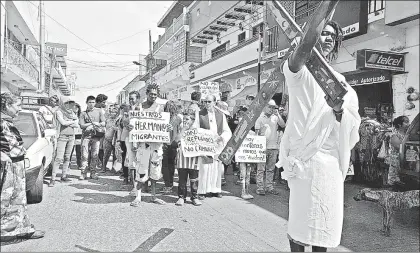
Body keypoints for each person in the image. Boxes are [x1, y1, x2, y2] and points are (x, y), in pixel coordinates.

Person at [277, 3, 361, 251]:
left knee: (323, 227)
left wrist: (338, 111)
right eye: (323, 33)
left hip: (330, 165)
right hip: (305, 161)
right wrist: (329, 5)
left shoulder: (343, 85)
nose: (327, 38)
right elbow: (306, 45)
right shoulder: (298, 71)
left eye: (332, 36)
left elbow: (352, 128)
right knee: (300, 226)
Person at [1, 92, 45, 243]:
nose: (20, 109)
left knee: (18, 200)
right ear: (7, 105)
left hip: (16, 165)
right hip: (7, 167)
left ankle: (22, 229)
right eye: (17, 105)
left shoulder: (6, 121)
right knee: (5, 200)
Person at [128, 84, 172, 207]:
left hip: (157, 145)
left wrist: (168, 127)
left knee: (155, 170)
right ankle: (138, 197)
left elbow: (165, 125)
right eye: (151, 94)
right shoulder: (139, 107)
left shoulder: (161, 108)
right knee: (141, 169)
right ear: (146, 94)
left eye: (155, 94)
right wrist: (131, 127)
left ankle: (154, 196)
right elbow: (132, 124)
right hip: (143, 145)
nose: (153, 96)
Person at [197, 94, 232, 199]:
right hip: (205, 145)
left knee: (217, 169)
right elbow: (195, 128)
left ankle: (215, 190)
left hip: (217, 146)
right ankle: (202, 191)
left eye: (209, 102)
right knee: (205, 168)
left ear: (214, 102)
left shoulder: (220, 115)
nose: (207, 104)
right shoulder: (199, 114)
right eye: (205, 102)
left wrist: (222, 138)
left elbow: (227, 131)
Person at [254, 100, 286, 195]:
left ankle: (269, 187)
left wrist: (278, 114)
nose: (272, 109)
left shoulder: (275, 118)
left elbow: (283, 125)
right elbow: (256, 134)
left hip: (273, 147)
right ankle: (260, 187)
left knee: (270, 169)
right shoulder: (260, 119)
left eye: (273, 107)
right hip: (263, 148)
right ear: (265, 107)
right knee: (260, 169)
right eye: (270, 107)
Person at [49, 96, 79, 187]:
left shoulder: (72, 112)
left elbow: (77, 124)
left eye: (70, 103)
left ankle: (64, 176)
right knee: (58, 158)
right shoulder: (58, 111)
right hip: (61, 136)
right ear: (62, 103)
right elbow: (63, 123)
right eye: (66, 103)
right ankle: (53, 178)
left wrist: (69, 121)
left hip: (71, 137)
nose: (68, 104)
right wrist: (71, 121)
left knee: (67, 157)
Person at [174, 110, 202, 206]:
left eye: (187, 119)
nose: (185, 121)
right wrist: (183, 129)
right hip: (182, 159)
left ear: (193, 120)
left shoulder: (198, 130)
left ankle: (194, 197)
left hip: (194, 159)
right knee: (182, 180)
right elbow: (177, 139)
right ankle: (181, 197)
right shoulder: (181, 128)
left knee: (194, 180)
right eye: (184, 119)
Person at [79, 95, 106, 180]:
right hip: (86, 137)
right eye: (90, 102)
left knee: (95, 155)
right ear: (86, 103)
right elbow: (82, 125)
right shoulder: (83, 113)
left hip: (96, 137)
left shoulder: (99, 111)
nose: (91, 104)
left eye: (93, 102)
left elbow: (104, 123)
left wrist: (96, 124)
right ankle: (83, 173)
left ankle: (93, 173)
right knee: (84, 156)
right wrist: (92, 123)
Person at [161, 100, 183, 194]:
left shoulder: (162, 118)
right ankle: (170, 183)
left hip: (165, 144)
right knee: (171, 165)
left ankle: (168, 185)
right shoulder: (178, 118)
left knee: (165, 165)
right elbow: (180, 131)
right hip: (174, 144)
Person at [387, 116, 410, 186]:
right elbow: (399, 148)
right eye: (406, 122)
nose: (408, 124)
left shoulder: (407, 134)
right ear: (400, 124)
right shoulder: (395, 135)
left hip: (406, 159)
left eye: (408, 121)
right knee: (395, 181)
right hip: (396, 160)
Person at [101, 103, 119, 173]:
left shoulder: (118, 120)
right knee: (106, 154)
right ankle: (103, 168)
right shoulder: (107, 120)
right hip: (107, 139)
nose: (113, 114)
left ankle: (114, 169)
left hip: (115, 139)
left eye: (114, 112)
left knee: (115, 155)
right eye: (112, 112)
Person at [115, 104, 130, 183]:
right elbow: (119, 130)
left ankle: (132, 177)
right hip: (124, 140)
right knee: (124, 158)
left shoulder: (134, 116)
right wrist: (118, 140)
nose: (124, 110)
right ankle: (126, 176)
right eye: (123, 109)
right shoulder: (121, 119)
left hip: (133, 140)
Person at [95, 94, 108, 171]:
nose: (105, 104)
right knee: (94, 149)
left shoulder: (103, 110)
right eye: (103, 102)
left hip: (102, 132)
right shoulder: (93, 109)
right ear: (99, 102)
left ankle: (103, 165)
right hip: (95, 132)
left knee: (101, 149)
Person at [70, 103, 83, 170]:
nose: (75, 109)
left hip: (79, 134)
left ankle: (79, 164)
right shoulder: (69, 115)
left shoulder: (81, 116)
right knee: (70, 150)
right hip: (71, 134)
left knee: (79, 151)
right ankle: (68, 164)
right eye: (74, 108)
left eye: (77, 108)